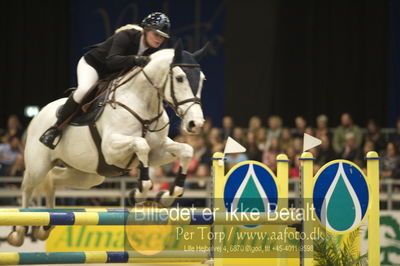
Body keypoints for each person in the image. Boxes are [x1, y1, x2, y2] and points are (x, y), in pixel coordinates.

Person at [40, 12, 171, 149]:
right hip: (94, 65)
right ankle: (55, 128)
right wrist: (136, 59)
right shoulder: (127, 35)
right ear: (146, 29)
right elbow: (112, 61)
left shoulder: (152, 51)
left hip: (113, 75)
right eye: (156, 34)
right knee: (84, 90)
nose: (159, 40)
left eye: (162, 37)